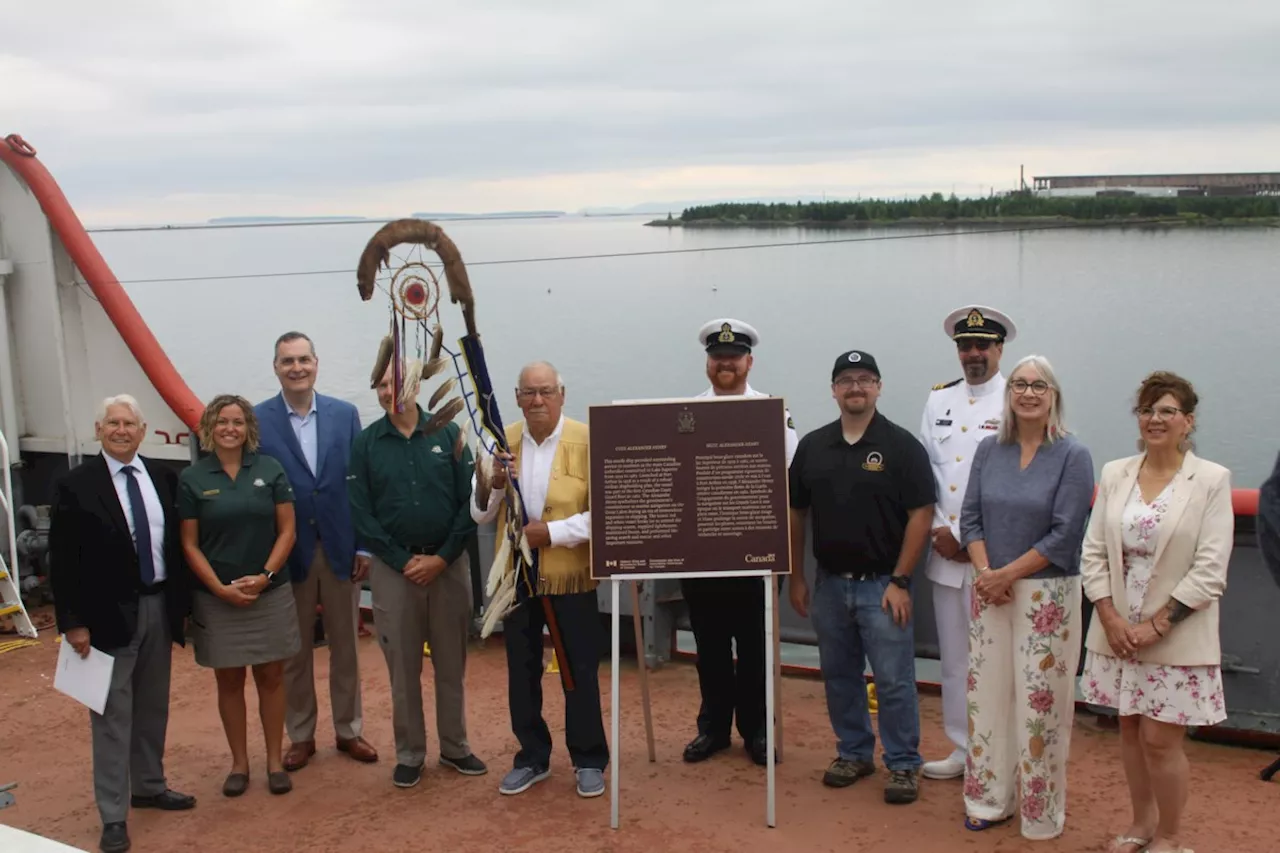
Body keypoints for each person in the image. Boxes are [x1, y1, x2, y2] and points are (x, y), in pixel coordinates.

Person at [1080, 371, 1233, 853]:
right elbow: (1092, 553)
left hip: (1175, 635)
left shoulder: (1211, 480)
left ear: (1188, 421)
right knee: (1128, 730)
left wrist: (1157, 625)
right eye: (1147, 410)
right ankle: (1141, 825)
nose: (1156, 418)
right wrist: (1108, 616)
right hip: (1117, 631)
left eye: (1168, 411)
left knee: (1161, 741)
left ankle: (1170, 836)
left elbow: (1210, 568)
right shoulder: (1114, 473)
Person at [48, 394, 195, 853]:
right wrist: (72, 622)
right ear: (99, 430)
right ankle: (113, 815)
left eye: (129, 423)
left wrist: (183, 608)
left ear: (142, 430)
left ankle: (149, 785)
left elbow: (175, 546)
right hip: (106, 618)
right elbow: (63, 561)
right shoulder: (75, 485)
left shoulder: (163, 478)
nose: (121, 430)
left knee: (152, 707)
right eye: (112, 422)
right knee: (112, 717)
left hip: (158, 607)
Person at [788, 350, 935, 804]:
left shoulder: (901, 445)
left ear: (878, 387)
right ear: (834, 390)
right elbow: (795, 513)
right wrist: (796, 577)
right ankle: (853, 752)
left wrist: (902, 580)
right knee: (838, 675)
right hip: (830, 584)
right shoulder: (813, 446)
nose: (856, 387)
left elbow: (921, 514)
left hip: (883, 587)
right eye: (847, 380)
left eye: (865, 379)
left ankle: (904, 763)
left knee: (893, 679)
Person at [958, 354, 1094, 840]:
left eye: (1039, 385)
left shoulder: (1073, 455)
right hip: (989, 589)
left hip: (1047, 596)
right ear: (1009, 393)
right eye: (1020, 384)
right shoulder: (988, 450)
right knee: (987, 697)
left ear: (1053, 395)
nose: (1029, 393)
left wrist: (1006, 575)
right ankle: (988, 798)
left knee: (1042, 706)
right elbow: (969, 518)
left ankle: (1041, 811)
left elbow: (1064, 534)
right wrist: (986, 572)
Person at [471, 361, 609, 799]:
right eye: (529, 393)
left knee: (579, 671)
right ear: (516, 398)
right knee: (522, 671)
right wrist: (491, 482)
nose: (537, 400)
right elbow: (480, 513)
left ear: (562, 395)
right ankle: (532, 757)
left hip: (571, 579)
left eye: (546, 391)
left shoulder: (589, 440)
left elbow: (607, 512)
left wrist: (552, 533)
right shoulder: (500, 441)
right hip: (517, 580)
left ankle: (589, 759)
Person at [347, 358, 486, 789]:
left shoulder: (449, 434)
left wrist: (442, 558)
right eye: (382, 385)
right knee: (402, 669)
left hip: (447, 567)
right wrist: (400, 558)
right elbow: (360, 510)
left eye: (398, 382)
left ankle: (455, 747)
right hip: (394, 572)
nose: (391, 392)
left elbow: (471, 502)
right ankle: (409, 753)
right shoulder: (367, 444)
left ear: (416, 384)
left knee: (451, 663)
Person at [254, 331, 378, 772]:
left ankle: (349, 730)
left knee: (346, 644)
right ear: (276, 367)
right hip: (289, 552)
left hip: (341, 546)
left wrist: (363, 543)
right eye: (288, 361)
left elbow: (359, 484)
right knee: (295, 650)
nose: (297, 368)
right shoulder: (257, 419)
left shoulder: (344, 415)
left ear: (316, 363)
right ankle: (300, 735)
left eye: (303, 359)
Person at [681, 318, 798, 766]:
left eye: (733, 357)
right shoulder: (685, 412)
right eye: (717, 357)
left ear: (750, 361)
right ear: (708, 363)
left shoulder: (772, 412)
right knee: (708, 647)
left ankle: (756, 732)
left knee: (755, 648)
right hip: (703, 555)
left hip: (755, 553)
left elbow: (785, 475)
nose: (724, 363)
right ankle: (712, 729)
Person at [178, 394, 301, 798]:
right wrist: (216, 588)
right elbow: (190, 544)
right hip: (217, 598)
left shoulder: (270, 469)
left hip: (270, 593)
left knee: (271, 676)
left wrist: (266, 576)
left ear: (249, 428)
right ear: (209, 428)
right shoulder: (193, 478)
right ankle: (239, 765)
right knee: (228, 680)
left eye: (238, 421)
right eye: (222, 422)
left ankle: (273, 762)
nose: (230, 429)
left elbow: (287, 531)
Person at [918, 305, 1015, 781]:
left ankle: (1000, 750)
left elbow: (1016, 482)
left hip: (991, 558)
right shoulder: (939, 401)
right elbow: (927, 474)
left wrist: (963, 537)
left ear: (1000, 349)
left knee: (996, 658)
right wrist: (941, 529)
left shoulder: (1018, 400)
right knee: (955, 661)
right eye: (964, 346)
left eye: (982, 345)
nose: (973, 354)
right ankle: (963, 748)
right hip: (944, 554)